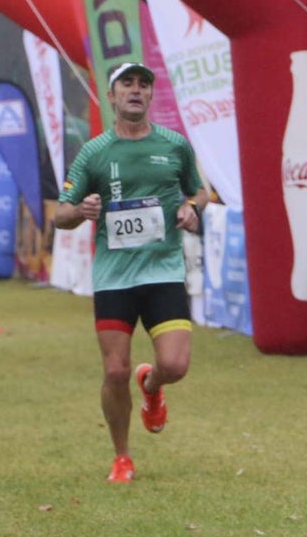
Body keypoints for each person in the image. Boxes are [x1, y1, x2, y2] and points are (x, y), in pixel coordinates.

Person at [55, 62, 207, 484]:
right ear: (112, 95)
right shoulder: (95, 152)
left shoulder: (174, 145)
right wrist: (80, 211)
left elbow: (199, 189)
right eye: (127, 84)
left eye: (143, 84)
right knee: (115, 370)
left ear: (150, 95)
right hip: (114, 277)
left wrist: (191, 208)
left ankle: (153, 384)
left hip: (163, 271)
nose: (136, 91)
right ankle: (122, 456)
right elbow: (60, 214)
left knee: (175, 365)